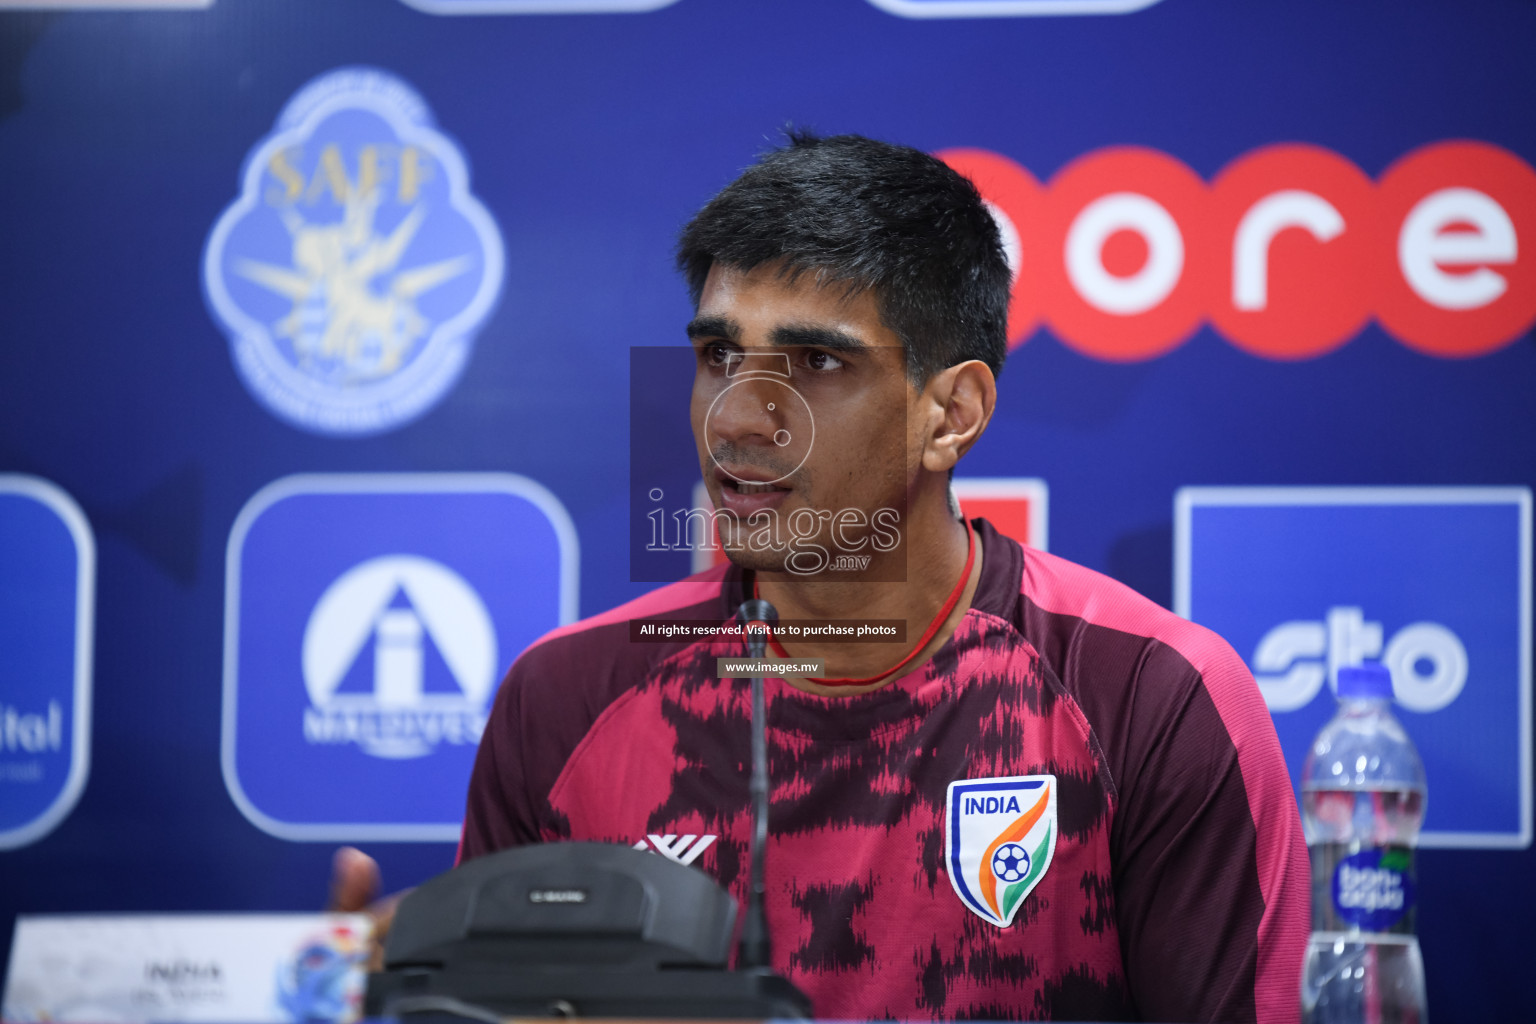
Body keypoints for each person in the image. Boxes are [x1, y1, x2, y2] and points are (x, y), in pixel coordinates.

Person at [341, 131, 1308, 1022]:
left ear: (952, 414)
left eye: (814, 363)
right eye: (720, 355)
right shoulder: (565, 700)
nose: (736, 420)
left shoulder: (1148, 697)